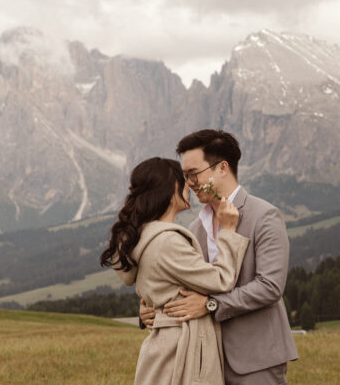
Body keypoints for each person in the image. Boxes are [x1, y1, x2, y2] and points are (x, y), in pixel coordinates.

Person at [140, 130, 299, 384]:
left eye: (194, 173)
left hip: (257, 359)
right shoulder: (194, 229)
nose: (188, 183)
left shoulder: (265, 216)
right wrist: (151, 307)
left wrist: (211, 304)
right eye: (185, 176)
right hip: (206, 361)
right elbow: (188, 286)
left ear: (223, 168)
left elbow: (270, 286)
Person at [100, 157, 250, 384]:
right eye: (182, 180)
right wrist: (228, 231)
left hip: (163, 348)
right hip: (181, 351)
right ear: (169, 190)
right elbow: (221, 280)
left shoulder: (141, 238)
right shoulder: (167, 242)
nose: (189, 185)